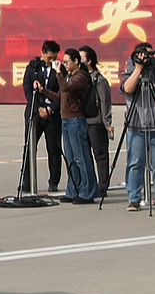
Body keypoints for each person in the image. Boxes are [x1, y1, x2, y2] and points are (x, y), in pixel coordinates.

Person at [121, 42, 155, 211]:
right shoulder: (131, 70)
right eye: (143, 55)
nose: (147, 59)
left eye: (149, 55)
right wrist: (138, 69)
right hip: (136, 125)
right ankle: (134, 198)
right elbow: (127, 89)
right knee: (135, 163)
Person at [22, 40, 64, 193]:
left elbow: (62, 92)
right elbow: (27, 89)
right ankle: (27, 181)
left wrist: (51, 109)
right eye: (49, 58)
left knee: (54, 149)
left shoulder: (60, 69)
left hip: (52, 115)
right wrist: (39, 107)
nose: (52, 61)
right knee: (29, 147)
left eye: (54, 58)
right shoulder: (33, 68)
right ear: (42, 54)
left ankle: (54, 182)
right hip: (35, 113)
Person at [58, 49, 98, 201]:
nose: (64, 65)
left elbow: (66, 88)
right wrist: (43, 90)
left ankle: (87, 191)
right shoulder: (68, 77)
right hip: (66, 120)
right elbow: (60, 95)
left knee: (81, 157)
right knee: (70, 158)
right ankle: (73, 190)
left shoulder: (81, 76)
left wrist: (58, 74)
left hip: (76, 120)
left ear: (76, 61)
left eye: (67, 62)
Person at [79, 45, 113, 197]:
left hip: (96, 122)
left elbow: (105, 102)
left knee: (100, 155)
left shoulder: (99, 80)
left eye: (82, 58)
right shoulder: (79, 78)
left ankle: (103, 186)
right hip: (81, 121)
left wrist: (107, 123)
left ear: (89, 61)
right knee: (84, 156)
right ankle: (88, 185)